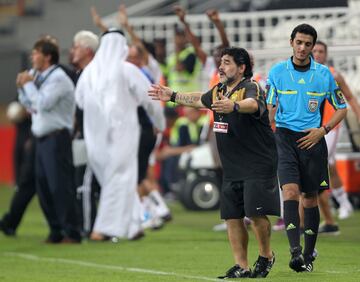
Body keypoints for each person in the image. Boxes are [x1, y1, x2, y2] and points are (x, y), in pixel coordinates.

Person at [149, 47, 279, 279]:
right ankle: (242, 266)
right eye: (221, 62)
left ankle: (266, 255)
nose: (220, 66)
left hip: (257, 164)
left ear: (241, 68)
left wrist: (234, 106)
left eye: (227, 63)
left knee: (256, 215)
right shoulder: (219, 89)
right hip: (232, 166)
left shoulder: (251, 87)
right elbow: (200, 99)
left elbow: (253, 104)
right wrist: (172, 95)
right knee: (232, 217)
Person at [266, 24, 347, 272]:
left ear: (313, 46)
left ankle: (309, 253)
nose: (302, 48)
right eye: (299, 42)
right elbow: (269, 109)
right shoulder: (278, 72)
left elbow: (342, 107)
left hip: (313, 139)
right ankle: (295, 252)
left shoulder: (323, 75)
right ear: (291, 42)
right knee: (290, 192)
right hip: (285, 138)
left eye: (307, 44)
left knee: (310, 198)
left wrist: (323, 130)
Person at [75, 29, 165, 241]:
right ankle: (102, 229)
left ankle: (133, 225)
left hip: (94, 137)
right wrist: (159, 122)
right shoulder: (126, 70)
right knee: (119, 178)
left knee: (118, 179)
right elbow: (150, 98)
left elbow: (78, 101)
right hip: (122, 135)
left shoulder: (89, 72)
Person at [16, 37, 81, 243]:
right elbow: (29, 105)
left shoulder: (59, 78)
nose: (32, 56)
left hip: (57, 138)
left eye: (36, 53)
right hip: (41, 139)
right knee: (43, 188)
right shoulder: (38, 76)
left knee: (59, 187)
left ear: (47, 57)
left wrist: (28, 86)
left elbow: (43, 103)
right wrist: (22, 88)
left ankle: (72, 232)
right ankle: (56, 231)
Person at [312, 40, 358, 223]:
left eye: (321, 51)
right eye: (314, 50)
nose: (317, 54)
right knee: (329, 165)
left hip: (331, 126)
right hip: (313, 126)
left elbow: (350, 97)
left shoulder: (334, 75)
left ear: (326, 54)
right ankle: (343, 202)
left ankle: (327, 205)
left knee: (320, 162)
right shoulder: (305, 74)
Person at [71, 30, 100, 237]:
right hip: (84, 136)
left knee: (87, 183)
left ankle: (89, 227)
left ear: (88, 50)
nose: (72, 51)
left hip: (96, 137)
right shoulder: (81, 74)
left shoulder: (95, 74)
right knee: (82, 182)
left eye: (77, 46)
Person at [0, 102, 35, 236]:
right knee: (25, 185)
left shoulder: (41, 87)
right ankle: (10, 222)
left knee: (49, 187)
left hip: (38, 139)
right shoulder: (23, 90)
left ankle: (66, 225)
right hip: (26, 141)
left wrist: (27, 111)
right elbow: (14, 113)